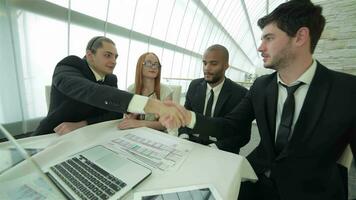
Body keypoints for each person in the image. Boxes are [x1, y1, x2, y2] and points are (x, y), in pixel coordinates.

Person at [160, 1, 356, 200]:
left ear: (300, 37)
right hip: (257, 181)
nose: (260, 47)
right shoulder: (261, 86)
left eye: (269, 38)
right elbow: (230, 126)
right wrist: (187, 118)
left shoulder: (348, 91)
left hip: (313, 192)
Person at [34, 36, 185, 136]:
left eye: (115, 56)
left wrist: (83, 124)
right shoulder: (70, 65)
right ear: (89, 55)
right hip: (54, 135)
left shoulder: (111, 79)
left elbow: (114, 114)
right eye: (107, 55)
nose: (113, 61)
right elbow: (91, 91)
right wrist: (150, 105)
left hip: (90, 134)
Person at [178, 44, 247, 154]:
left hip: (220, 150)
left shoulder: (240, 93)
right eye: (204, 63)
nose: (207, 68)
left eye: (213, 64)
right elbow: (184, 117)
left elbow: (242, 135)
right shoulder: (194, 85)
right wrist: (184, 137)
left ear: (226, 66)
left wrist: (213, 148)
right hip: (190, 145)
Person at [118, 52, 173, 131]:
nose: (153, 67)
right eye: (148, 63)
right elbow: (128, 119)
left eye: (156, 64)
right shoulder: (131, 89)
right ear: (140, 66)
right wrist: (132, 116)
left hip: (157, 134)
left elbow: (164, 125)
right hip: (135, 131)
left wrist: (139, 123)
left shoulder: (166, 91)